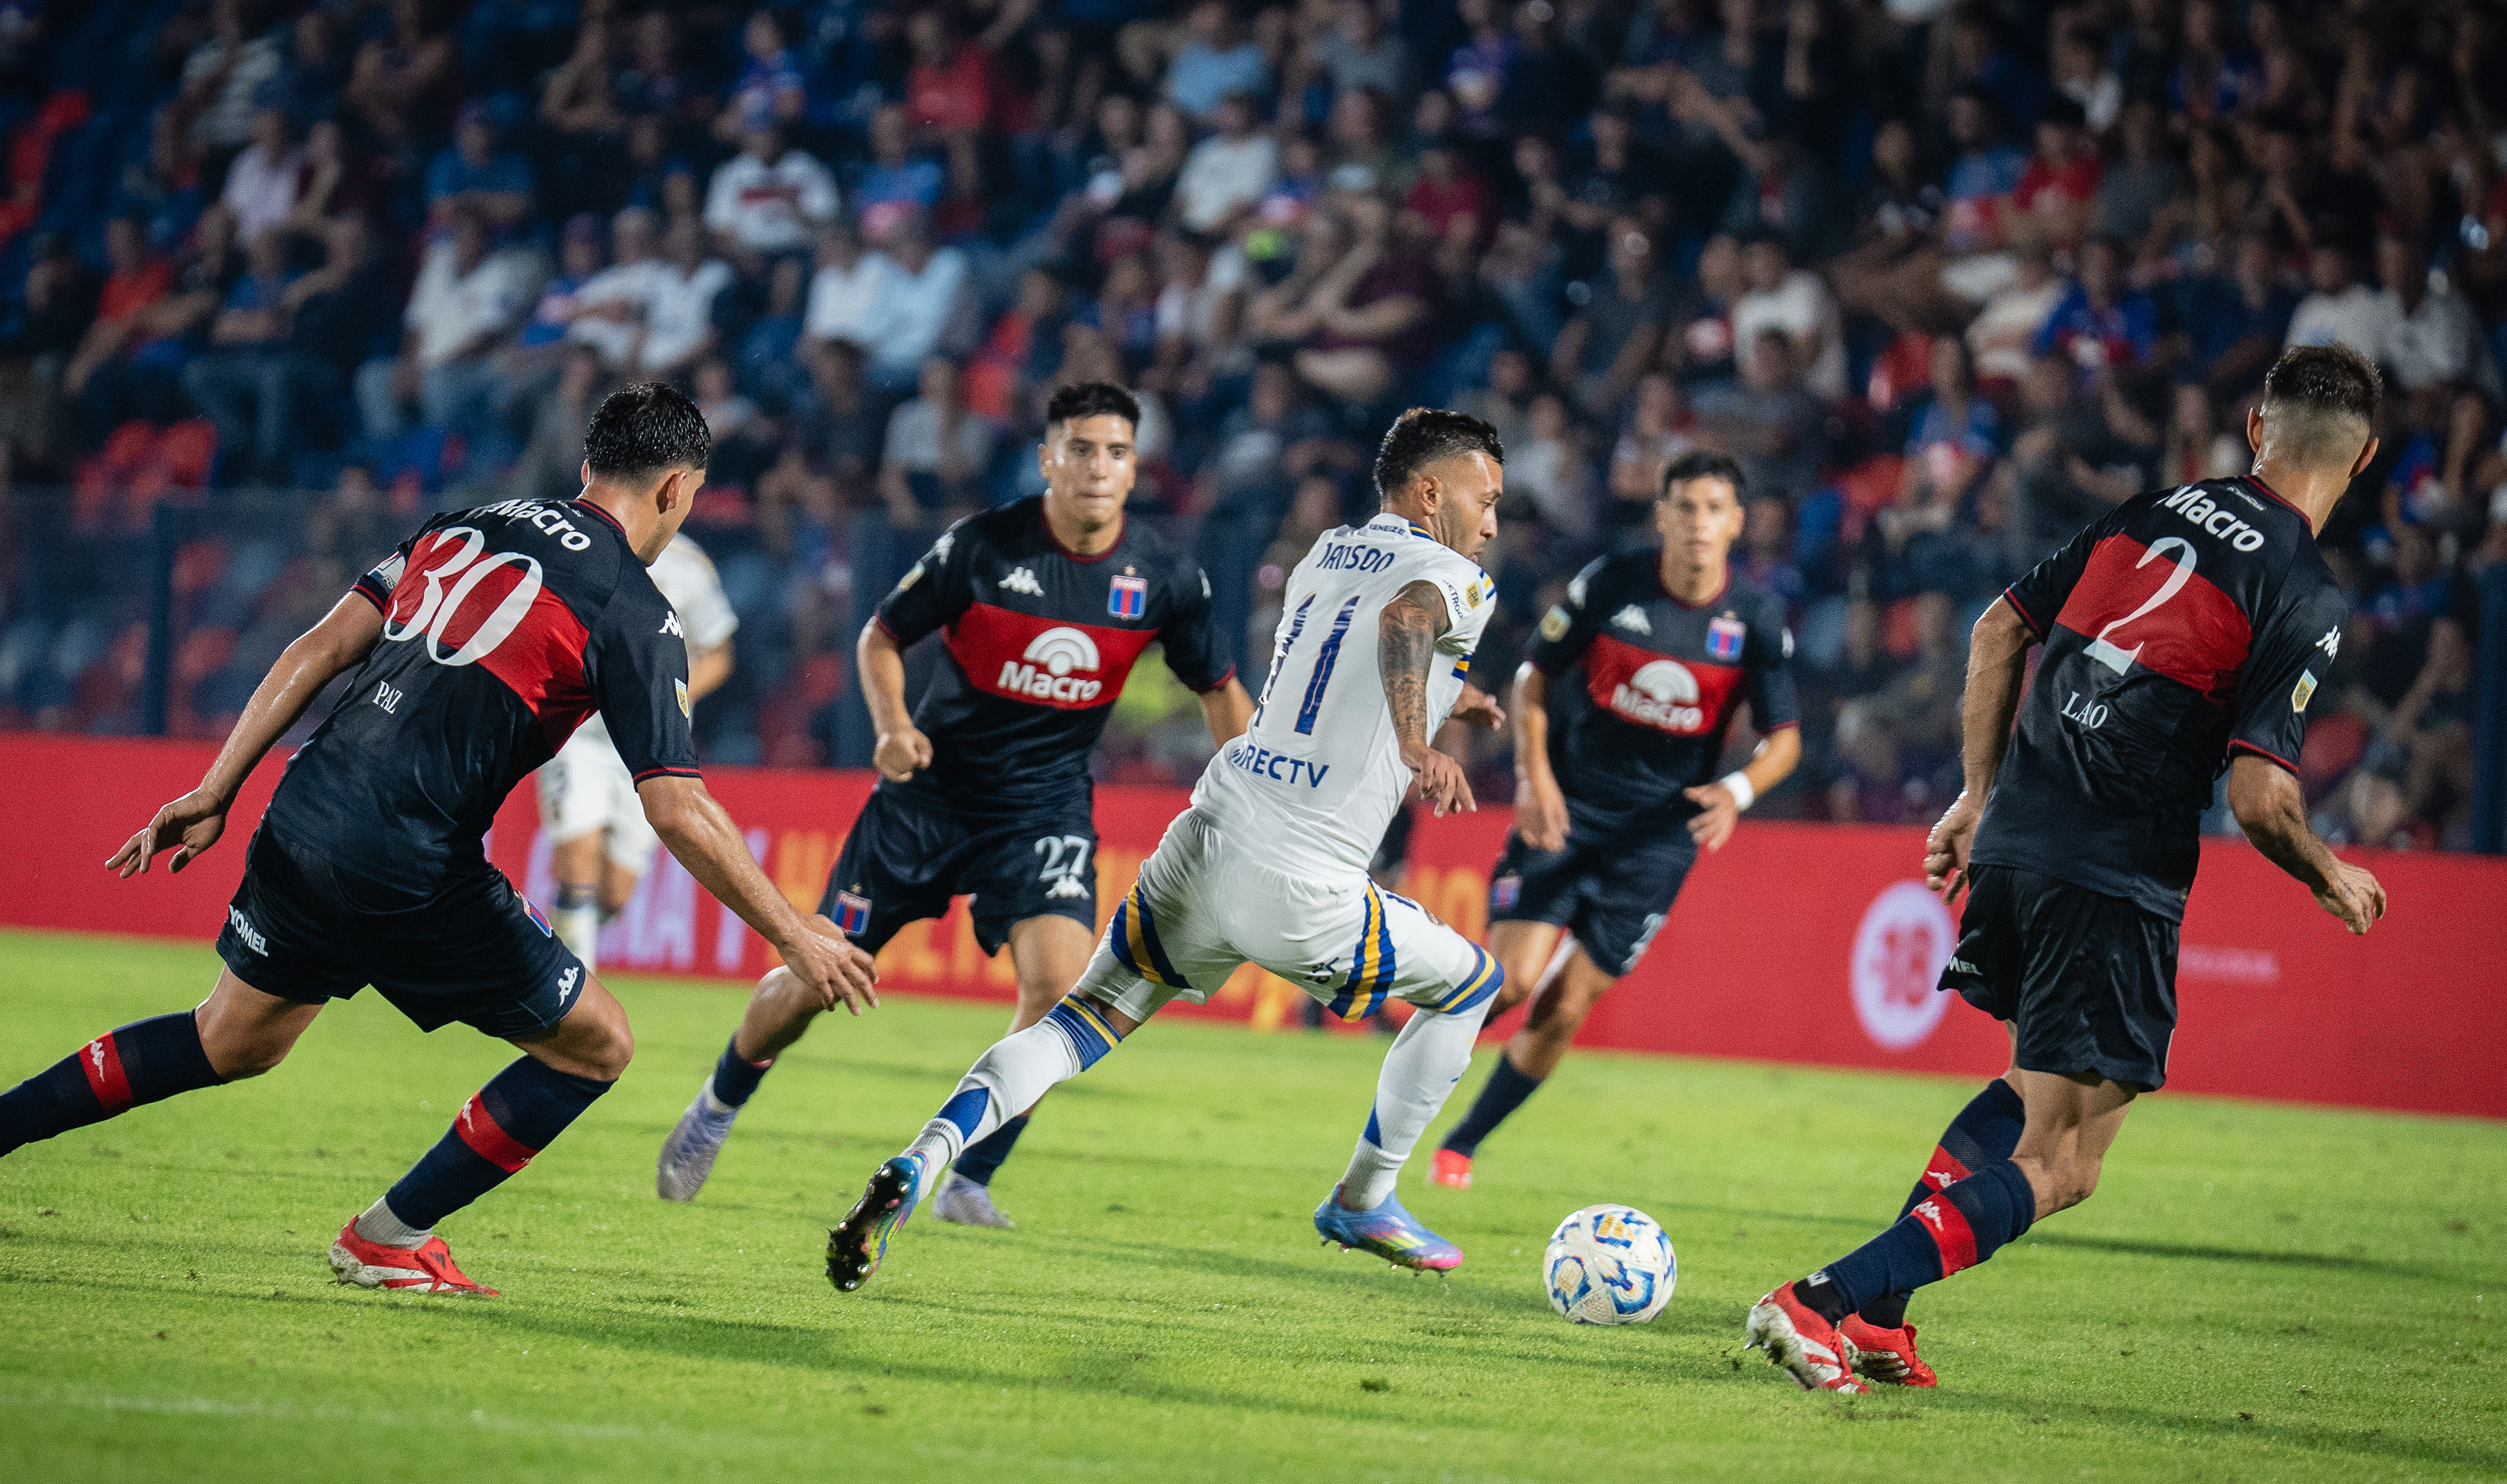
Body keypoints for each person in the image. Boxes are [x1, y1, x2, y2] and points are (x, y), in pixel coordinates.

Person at [0, 386, 876, 1293]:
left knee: (232, 1038)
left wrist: (218, 785)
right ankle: (389, 1237)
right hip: (407, 859)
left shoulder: (465, 524)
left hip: (306, 809)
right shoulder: (632, 605)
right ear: (674, 490)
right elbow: (676, 805)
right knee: (595, 1045)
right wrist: (794, 935)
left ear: (588, 465)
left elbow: (320, 646)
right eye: (690, 499)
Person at [1744, 346, 2389, 1393]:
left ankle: (1881, 1317)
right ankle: (1819, 1301)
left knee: (2028, 1093)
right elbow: (2263, 798)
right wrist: (2329, 874)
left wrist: (1971, 794)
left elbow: (2001, 625)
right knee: (2065, 1164)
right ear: (2362, 461)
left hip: (2014, 840)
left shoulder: (2149, 510)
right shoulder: (2300, 588)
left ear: (2257, 426)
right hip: (2111, 870)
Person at [823, 408, 1510, 1294]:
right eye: (1483, 500)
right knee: (1470, 986)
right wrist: (1419, 741)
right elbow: (1409, 620)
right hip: (1302, 880)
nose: (1491, 523)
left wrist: (1456, 695)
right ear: (1429, 494)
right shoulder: (1454, 575)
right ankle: (1364, 1197)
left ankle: (925, 1156)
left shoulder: (1327, 553)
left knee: (1076, 1023)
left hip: (1204, 837)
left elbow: (1343, 656)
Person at [654, 382, 1252, 1225]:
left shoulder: (1162, 575)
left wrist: (1252, 801)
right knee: (811, 981)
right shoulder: (984, 546)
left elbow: (1221, 690)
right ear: (1048, 459)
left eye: (1116, 452)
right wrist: (892, 725)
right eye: (1080, 449)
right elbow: (881, 636)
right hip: (926, 796)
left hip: (1042, 809)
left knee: (1058, 990)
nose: (1098, 467)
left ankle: (969, 1175)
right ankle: (716, 1106)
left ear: (1134, 466)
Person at [1431, 450, 1801, 1187]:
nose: (1698, 523)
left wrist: (1737, 792)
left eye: (1713, 509)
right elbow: (1534, 676)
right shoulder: (1612, 583)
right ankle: (1407, 1086)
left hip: (1660, 838)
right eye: (1685, 507)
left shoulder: (1754, 618)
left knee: (1566, 1005)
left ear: (1738, 523)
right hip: (1568, 806)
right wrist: (1535, 779)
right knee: (1509, 981)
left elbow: (1784, 738)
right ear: (1661, 514)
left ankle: (1462, 1143)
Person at [538, 528, 739, 965]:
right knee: (579, 860)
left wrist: (668, 695)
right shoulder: (574, 547)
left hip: (647, 741)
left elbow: (719, 653)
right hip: (578, 734)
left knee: (614, 891)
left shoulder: (689, 564)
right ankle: (572, 996)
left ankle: (540, 952)